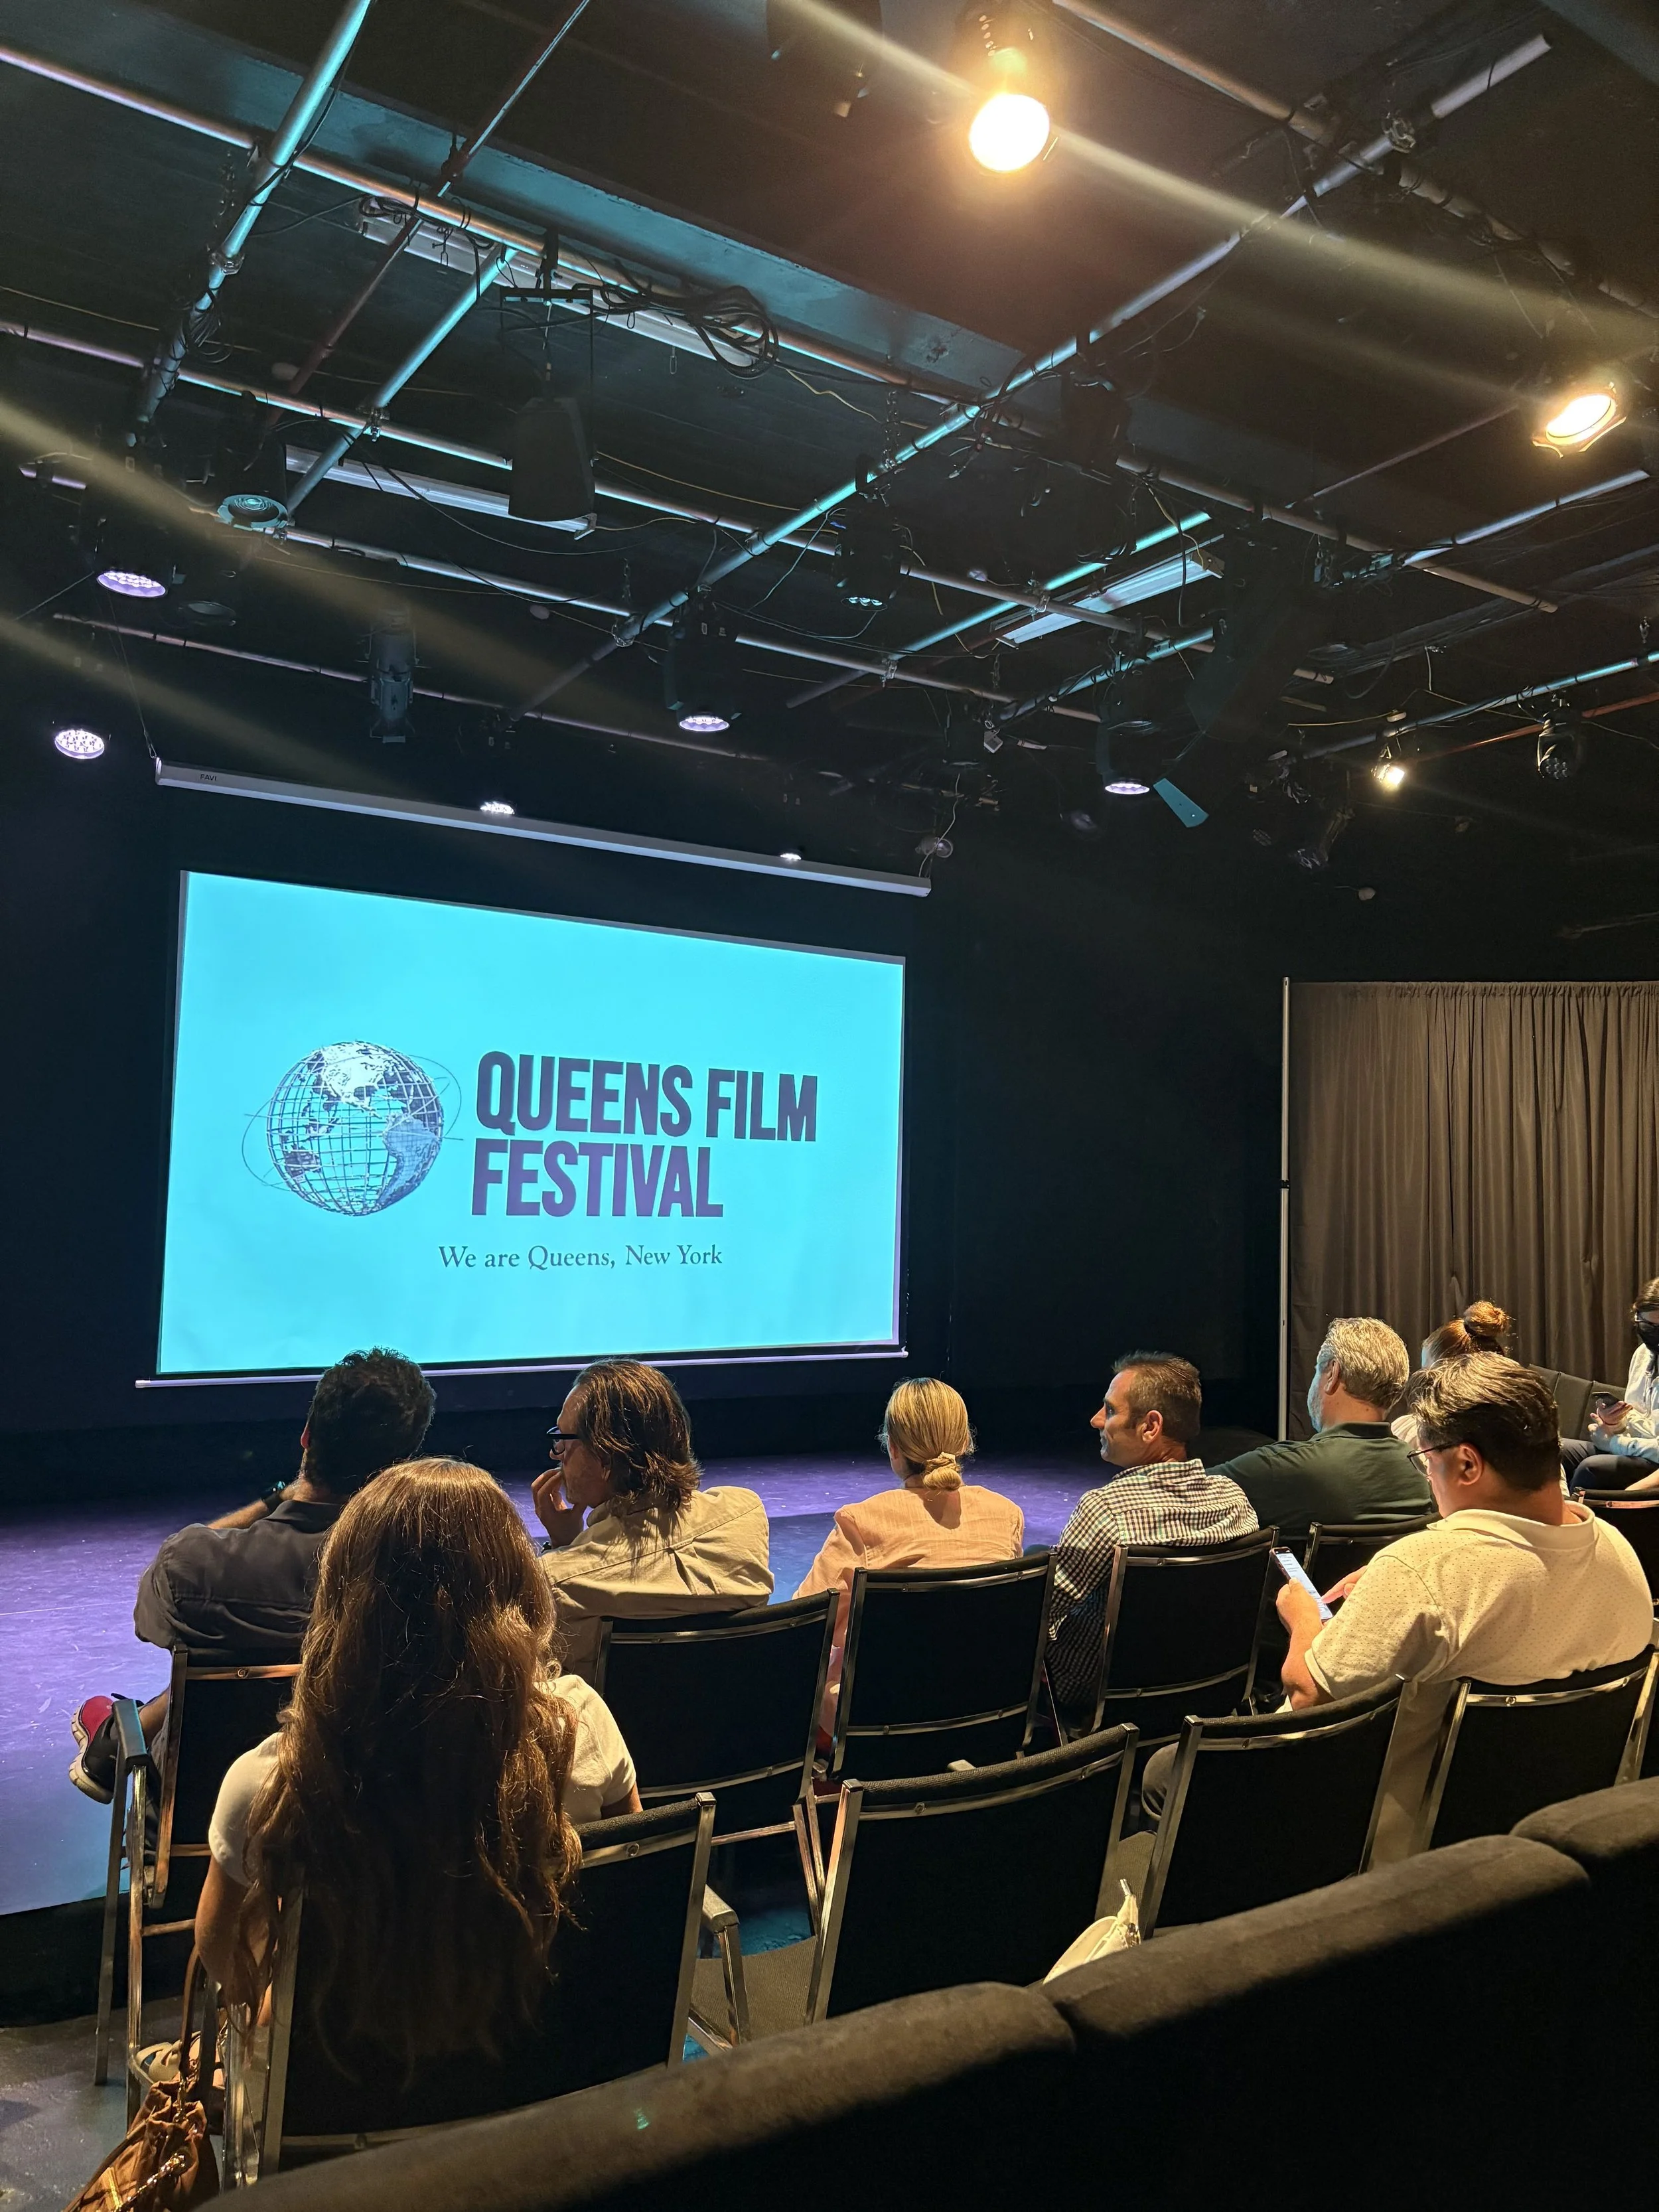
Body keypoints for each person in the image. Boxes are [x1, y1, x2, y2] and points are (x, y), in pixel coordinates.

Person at [195, 1461, 639, 2087]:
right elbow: (629, 1886)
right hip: (541, 2107)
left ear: (344, 1592)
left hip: (341, 2134)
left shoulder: (271, 1781)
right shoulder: (582, 1727)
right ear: (519, 1583)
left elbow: (228, 1961)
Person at [1273, 1355, 1653, 1860]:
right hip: (1560, 1846)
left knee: (1169, 1773)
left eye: (1427, 1458)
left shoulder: (1424, 1569)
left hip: (1414, 1856)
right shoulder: (1617, 1549)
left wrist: (1301, 1615)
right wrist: (1397, 1585)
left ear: (1468, 1463)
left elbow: (1309, 1698)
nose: (1428, 1473)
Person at [69, 1347, 435, 1803]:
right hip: (360, 1813)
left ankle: (113, 1741)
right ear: (399, 1467)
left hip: (211, 1810)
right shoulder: (423, 1580)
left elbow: (149, 1617)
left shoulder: (195, 1568)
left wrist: (276, 1498)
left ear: (306, 1437)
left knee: (214, 1673)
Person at [794, 1378, 1025, 1723]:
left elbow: (802, 1627)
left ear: (894, 1449)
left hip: (883, 1714)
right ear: (965, 1441)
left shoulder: (862, 1522)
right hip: (987, 1706)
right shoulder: (1006, 1514)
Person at [1046, 1353, 1256, 1722]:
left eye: (1110, 1411)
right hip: (1209, 1690)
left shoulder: (1106, 1511)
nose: (1096, 1420)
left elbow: (1042, 1613)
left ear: (1150, 1427)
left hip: (1100, 1699)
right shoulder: (1234, 1501)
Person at [532, 1359, 772, 1681]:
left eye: (564, 1439)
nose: (556, 1453)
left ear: (606, 1456)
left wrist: (561, 1552)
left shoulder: (558, 1583)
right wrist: (571, 1545)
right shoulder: (745, 1515)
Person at [1209, 1317, 1428, 1554]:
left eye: (1316, 1371)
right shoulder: (1423, 1471)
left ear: (1333, 1373)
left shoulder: (1280, 1468)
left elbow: (1181, 1492)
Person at [1559, 1279, 1659, 1491]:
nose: (1653, 1334)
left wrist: (1613, 1443)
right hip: (1635, 1449)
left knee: (1591, 1469)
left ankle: (1575, 1522)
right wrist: (1615, 1424)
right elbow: (1646, 1424)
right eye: (1647, 1326)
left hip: (1654, 1463)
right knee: (1553, 1451)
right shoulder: (1643, 1355)